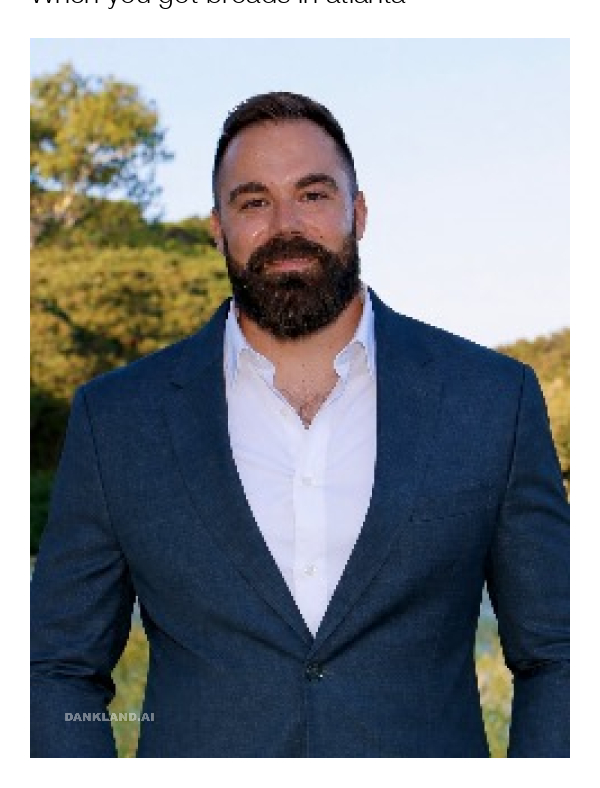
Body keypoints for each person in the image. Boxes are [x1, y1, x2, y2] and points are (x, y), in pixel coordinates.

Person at [30, 92, 569, 758]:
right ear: (218, 228)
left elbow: (561, 653)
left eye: (312, 194)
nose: (285, 224)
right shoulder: (116, 420)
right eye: (253, 201)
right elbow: (56, 667)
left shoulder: (490, 400)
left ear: (358, 212)